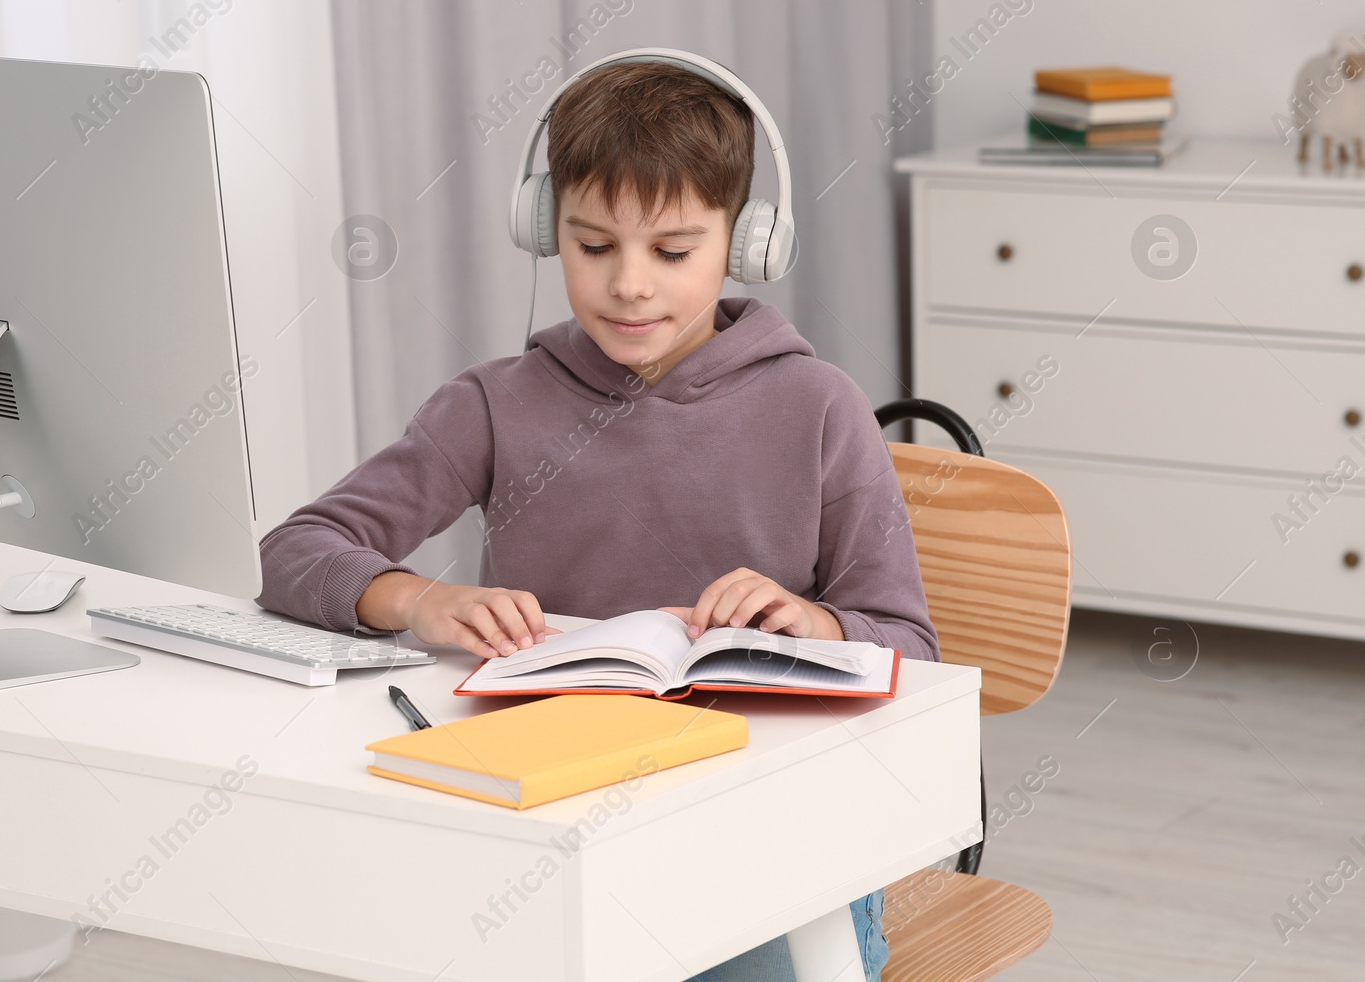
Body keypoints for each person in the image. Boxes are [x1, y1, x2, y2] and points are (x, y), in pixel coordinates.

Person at [256, 53, 938, 982]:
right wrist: (413, 599)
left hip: (772, 839)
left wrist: (814, 624)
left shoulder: (820, 407)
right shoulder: (498, 403)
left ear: (745, 242)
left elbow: (911, 645)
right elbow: (295, 551)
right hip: (555, 824)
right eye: (592, 245)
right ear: (546, 234)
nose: (628, 285)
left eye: (671, 251)